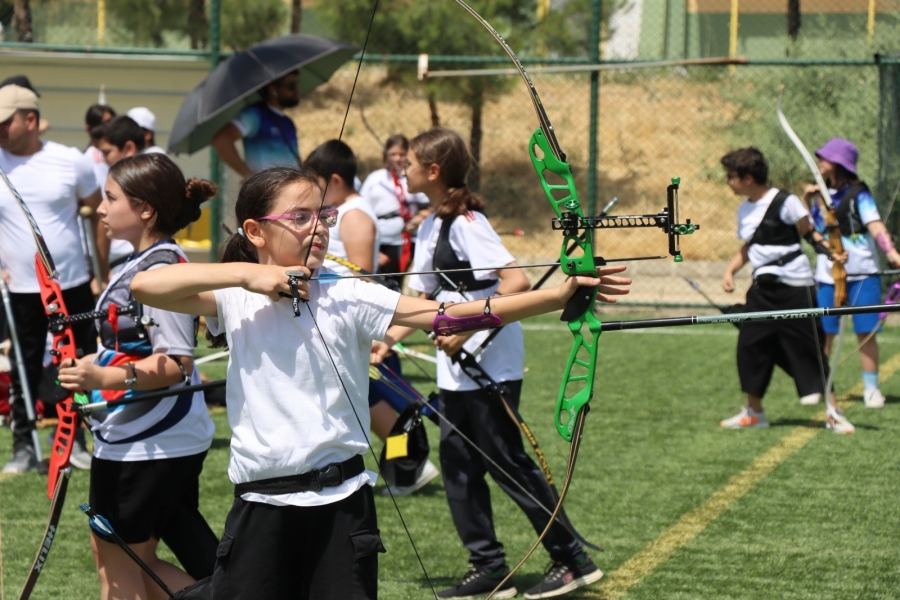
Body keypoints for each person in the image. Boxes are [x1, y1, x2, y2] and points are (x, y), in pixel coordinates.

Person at [129, 163, 628, 600]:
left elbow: (446, 316)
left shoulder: (346, 293)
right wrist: (247, 277)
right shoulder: (233, 295)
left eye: (323, 216)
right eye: (300, 218)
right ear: (256, 231)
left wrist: (556, 297)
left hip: (342, 507)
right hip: (260, 507)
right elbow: (145, 285)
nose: (319, 228)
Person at [379, 128, 604, 599]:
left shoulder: (467, 222)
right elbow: (421, 297)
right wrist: (388, 341)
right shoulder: (427, 225)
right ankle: (489, 567)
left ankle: (573, 560)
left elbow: (516, 282)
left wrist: (466, 330)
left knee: (508, 465)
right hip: (454, 370)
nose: (405, 168)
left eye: (412, 162)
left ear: (434, 171)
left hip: (489, 365)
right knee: (459, 466)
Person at [58, 153, 219, 599]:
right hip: (150, 438)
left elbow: (176, 363)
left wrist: (104, 379)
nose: (101, 208)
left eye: (111, 198)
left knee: (119, 568)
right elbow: (133, 346)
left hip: (149, 441)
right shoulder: (144, 262)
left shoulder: (160, 270)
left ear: (145, 208)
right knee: (132, 559)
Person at [306, 139, 439, 496]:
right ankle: (407, 466)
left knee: (381, 405)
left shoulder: (354, 214)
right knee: (370, 400)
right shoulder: (345, 210)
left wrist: (364, 332)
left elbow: (361, 277)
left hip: (356, 325)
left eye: (314, 183)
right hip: (342, 323)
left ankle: (411, 465)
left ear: (334, 180)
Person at [0, 83, 101, 474]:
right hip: (20, 288)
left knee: (75, 362)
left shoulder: (69, 160)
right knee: (22, 365)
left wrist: (99, 272)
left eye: (6, 122)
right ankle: (24, 446)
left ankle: (74, 439)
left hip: (71, 283)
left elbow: (95, 206)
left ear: (30, 119)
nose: (1, 130)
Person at [719, 147, 854, 434]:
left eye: (731, 176)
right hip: (761, 290)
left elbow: (810, 233)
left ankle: (833, 412)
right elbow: (750, 246)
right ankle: (754, 412)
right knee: (750, 347)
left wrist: (833, 253)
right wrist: (731, 271)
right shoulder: (744, 208)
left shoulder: (786, 201)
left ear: (749, 177)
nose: (728, 181)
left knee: (811, 349)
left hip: (795, 287)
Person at [805, 138, 900, 409]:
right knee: (825, 333)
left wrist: (892, 253)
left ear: (839, 164)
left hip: (863, 274)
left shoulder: (859, 193)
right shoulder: (820, 195)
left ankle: (871, 388)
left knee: (865, 331)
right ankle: (821, 385)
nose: (819, 161)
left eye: (824, 157)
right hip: (828, 276)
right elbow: (808, 229)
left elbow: (875, 224)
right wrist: (806, 199)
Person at [359, 134, 432, 274]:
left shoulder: (411, 178)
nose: (397, 158)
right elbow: (362, 211)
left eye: (402, 154)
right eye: (393, 154)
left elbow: (430, 205)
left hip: (405, 240)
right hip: (380, 240)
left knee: (396, 281)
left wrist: (417, 220)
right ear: (386, 155)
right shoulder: (376, 179)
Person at [211, 72, 300, 179]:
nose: (297, 89)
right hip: (267, 193)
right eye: (291, 86)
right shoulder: (254, 114)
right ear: (273, 90)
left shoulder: (288, 122)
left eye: (296, 84)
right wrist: (248, 176)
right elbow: (221, 140)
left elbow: (295, 158)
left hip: (291, 190)